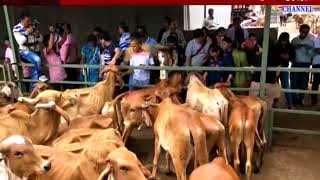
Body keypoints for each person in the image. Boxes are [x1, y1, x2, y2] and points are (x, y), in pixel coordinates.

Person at [13, 13, 42, 88]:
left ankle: (34, 87)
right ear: (22, 20)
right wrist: (27, 32)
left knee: (34, 69)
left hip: (35, 50)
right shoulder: (16, 28)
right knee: (37, 60)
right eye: (27, 21)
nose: (29, 23)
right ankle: (36, 84)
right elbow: (20, 42)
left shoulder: (31, 26)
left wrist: (37, 35)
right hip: (24, 51)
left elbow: (41, 39)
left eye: (29, 21)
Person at [249, 39, 279, 109]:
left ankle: (255, 118)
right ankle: (267, 119)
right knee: (268, 104)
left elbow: (252, 69)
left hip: (256, 80)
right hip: (270, 81)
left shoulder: (257, 54)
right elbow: (277, 72)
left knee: (253, 103)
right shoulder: (275, 53)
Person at [291, 24, 314, 106]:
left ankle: (301, 99)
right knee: (293, 82)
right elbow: (290, 52)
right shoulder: (294, 40)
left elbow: (313, 55)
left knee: (303, 83)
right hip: (295, 63)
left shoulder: (311, 41)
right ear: (300, 31)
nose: (305, 33)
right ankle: (294, 100)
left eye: (306, 32)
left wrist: (309, 50)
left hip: (305, 64)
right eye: (303, 31)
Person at [42, 26, 67, 90]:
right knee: (57, 94)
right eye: (51, 40)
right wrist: (51, 33)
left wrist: (64, 29)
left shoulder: (56, 47)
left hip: (63, 75)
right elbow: (50, 46)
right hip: (55, 77)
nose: (53, 41)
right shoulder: (46, 50)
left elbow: (64, 39)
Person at [274, 32, 295, 109]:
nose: (284, 42)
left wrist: (288, 57)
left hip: (284, 67)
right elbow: (273, 56)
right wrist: (282, 56)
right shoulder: (276, 46)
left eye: (285, 40)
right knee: (274, 86)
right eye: (283, 40)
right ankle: (274, 103)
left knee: (286, 85)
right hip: (275, 68)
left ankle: (290, 104)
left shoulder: (290, 46)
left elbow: (292, 57)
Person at [58, 23, 78, 88]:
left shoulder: (68, 37)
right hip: (72, 60)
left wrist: (65, 60)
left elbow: (67, 48)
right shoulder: (72, 36)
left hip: (68, 61)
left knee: (68, 78)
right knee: (72, 77)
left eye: (64, 28)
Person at [311, 32, 320, 105]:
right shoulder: (315, 39)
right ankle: (313, 100)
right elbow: (316, 50)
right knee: (316, 82)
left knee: (316, 82)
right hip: (317, 63)